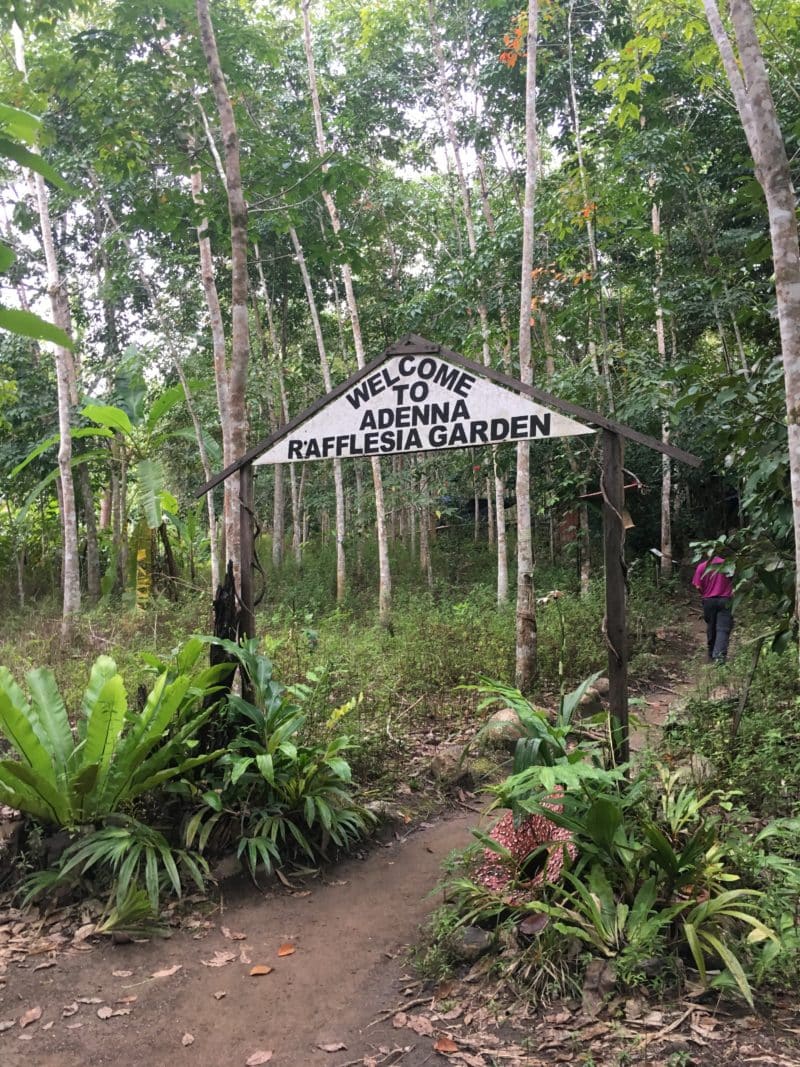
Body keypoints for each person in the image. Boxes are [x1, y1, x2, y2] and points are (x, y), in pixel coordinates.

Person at [692, 554, 734, 663]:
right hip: (725, 600)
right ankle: (719, 657)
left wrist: (704, 594)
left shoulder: (702, 566)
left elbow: (697, 586)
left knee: (711, 626)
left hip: (708, 601)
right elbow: (734, 581)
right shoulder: (727, 564)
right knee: (723, 629)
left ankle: (711, 652)